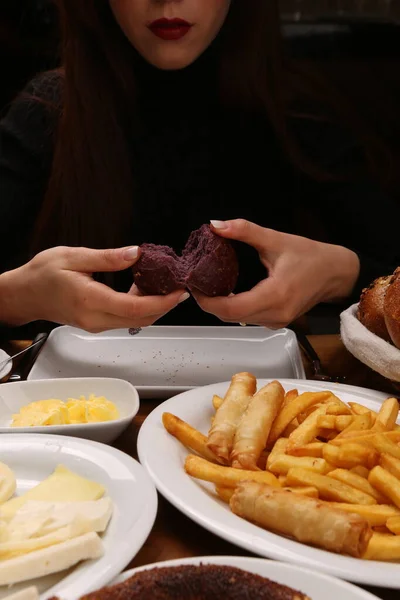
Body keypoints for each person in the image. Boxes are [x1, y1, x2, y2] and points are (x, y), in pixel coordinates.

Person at [0, 0, 399, 335]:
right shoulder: (47, 114)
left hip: (266, 398)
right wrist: (16, 297)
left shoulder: (297, 115)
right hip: (72, 411)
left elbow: (387, 260)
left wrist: (341, 273)